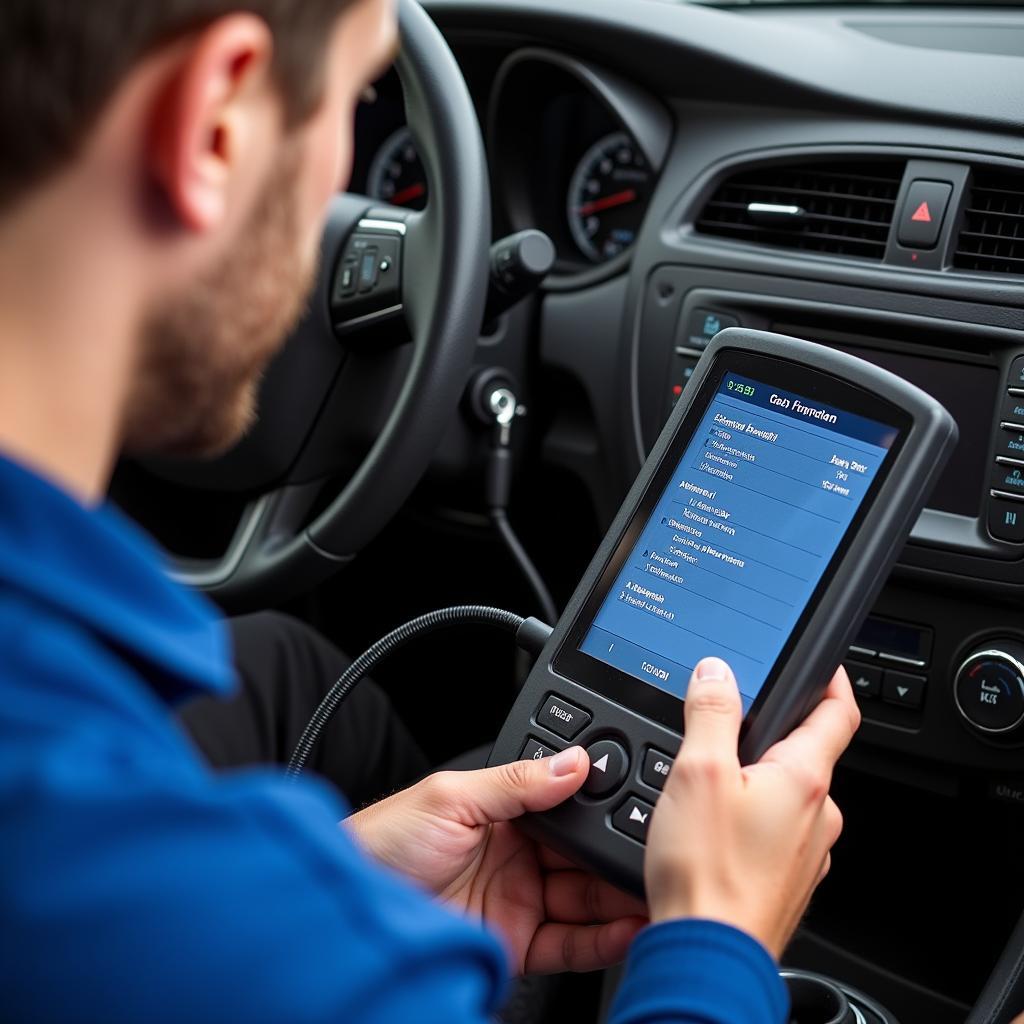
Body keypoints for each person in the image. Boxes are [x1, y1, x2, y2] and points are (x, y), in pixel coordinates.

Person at [0, 1, 860, 1021]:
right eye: (356, 106)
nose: (343, 194)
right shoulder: (203, 923)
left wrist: (328, 878)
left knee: (287, 655)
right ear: (215, 123)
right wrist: (717, 941)